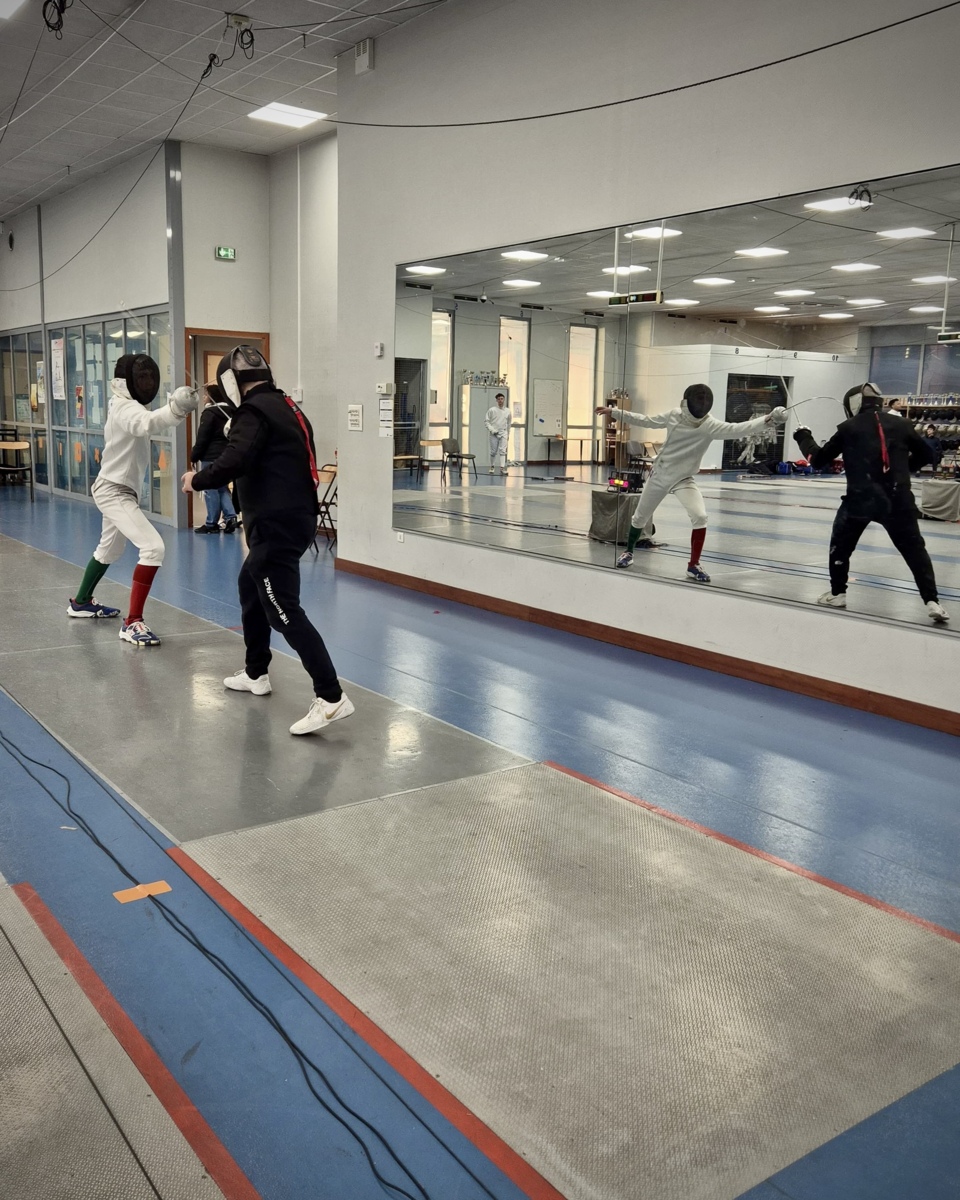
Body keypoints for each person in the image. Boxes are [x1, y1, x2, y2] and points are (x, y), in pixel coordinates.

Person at [181, 346, 353, 736]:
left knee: (282, 609)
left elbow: (234, 461)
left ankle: (331, 696)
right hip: (294, 519)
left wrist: (196, 479)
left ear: (230, 382)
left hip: (276, 526)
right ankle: (256, 672)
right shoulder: (286, 406)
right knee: (250, 586)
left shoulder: (253, 412)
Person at [66, 355, 199, 646]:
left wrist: (174, 408)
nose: (148, 382)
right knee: (153, 548)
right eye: (142, 378)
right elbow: (146, 423)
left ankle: (81, 602)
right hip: (114, 491)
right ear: (128, 381)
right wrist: (176, 409)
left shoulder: (124, 403)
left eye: (150, 377)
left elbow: (145, 419)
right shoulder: (126, 408)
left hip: (116, 489)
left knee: (109, 550)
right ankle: (132, 622)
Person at [595, 384, 787, 582]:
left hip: (684, 478)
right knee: (639, 517)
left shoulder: (710, 425)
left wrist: (768, 420)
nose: (702, 403)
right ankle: (628, 552)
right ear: (687, 401)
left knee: (700, 516)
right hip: (661, 474)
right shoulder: (674, 415)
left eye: (705, 399)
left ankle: (693, 565)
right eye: (699, 399)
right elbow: (646, 420)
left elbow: (737, 429)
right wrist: (614, 412)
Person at [793, 382, 949, 624]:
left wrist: (803, 436)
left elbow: (819, 459)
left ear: (853, 404)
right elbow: (928, 454)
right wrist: (901, 470)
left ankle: (838, 593)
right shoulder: (902, 424)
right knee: (915, 550)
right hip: (897, 499)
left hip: (860, 499)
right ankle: (933, 602)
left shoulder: (848, 427)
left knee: (841, 546)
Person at [190, 383, 238, 533]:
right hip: (226, 456)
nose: (204, 397)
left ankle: (211, 523)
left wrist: (194, 455)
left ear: (212, 397)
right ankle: (231, 517)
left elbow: (202, 438)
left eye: (206, 394)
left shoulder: (209, 413)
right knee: (222, 488)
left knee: (210, 489)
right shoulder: (231, 412)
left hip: (210, 457)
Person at [485, 392, 511, 475]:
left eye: (502, 399)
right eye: (499, 399)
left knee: (503, 451)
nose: (500, 400)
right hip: (494, 433)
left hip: (504, 432)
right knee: (493, 451)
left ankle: (502, 468)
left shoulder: (508, 411)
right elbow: (486, 422)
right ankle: (492, 466)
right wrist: (492, 430)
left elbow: (509, 423)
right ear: (496, 400)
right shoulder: (492, 410)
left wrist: (508, 433)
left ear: (504, 400)